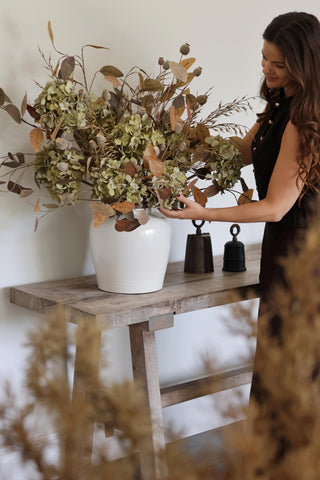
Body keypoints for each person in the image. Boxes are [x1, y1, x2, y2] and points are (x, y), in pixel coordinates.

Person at [160, 11, 320, 402]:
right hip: (284, 247)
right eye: (264, 58)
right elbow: (245, 152)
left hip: (304, 257)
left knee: (291, 374)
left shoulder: (306, 118)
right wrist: (182, 149)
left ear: (304, 66)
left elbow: (275, 207)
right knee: (279, 365)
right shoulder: (283, 104)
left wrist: (204, 214)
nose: (267, 69)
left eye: (279, 64)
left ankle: (288, 462)